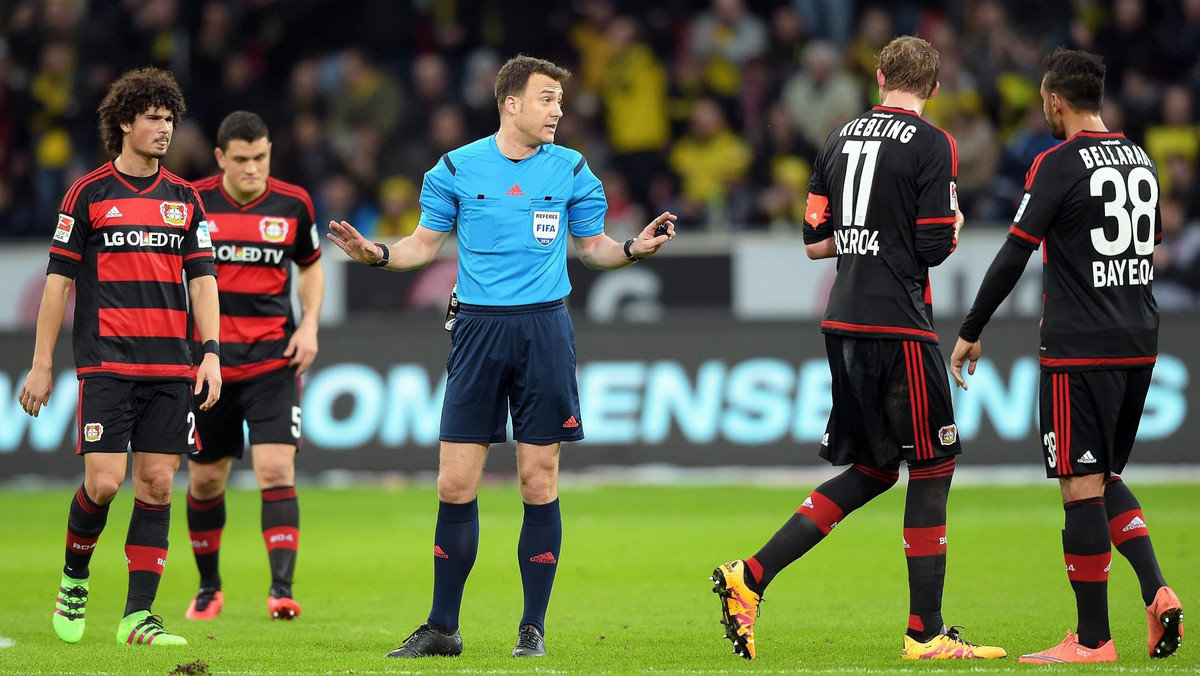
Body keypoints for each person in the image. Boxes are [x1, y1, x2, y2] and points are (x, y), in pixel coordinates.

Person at [326, 54, 675, 659]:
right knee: (454, 481)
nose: (558, 111)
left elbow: (593, 247)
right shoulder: (457, 167)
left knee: (538, 480)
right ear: (510, 103)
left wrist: (634, 248)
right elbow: (421, 245)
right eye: (547, 99)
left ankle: (531, 628)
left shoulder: (571, 168)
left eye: (560, 102)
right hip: (478, 332)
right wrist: (377, 254)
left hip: (544, 330)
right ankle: (443, 627)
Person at [711, 36, 1006, 661]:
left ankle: (751, 576)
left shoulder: (838, 138)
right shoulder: (935, 143)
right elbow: (931, 246)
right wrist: (949, 228)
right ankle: (925, 632)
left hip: (842, 321)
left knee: (875, 468)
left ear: (877, 78)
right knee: (933, 465)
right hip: (898, 325)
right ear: (932, 87)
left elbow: (815, 243)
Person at [950, 48, 1183, 664]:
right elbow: (1150, 243)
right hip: (1140, 342)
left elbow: (1014, 250)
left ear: (1054, 100)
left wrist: (972, 327)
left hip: (1080, 346)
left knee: (1080, 489)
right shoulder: (1140, 158)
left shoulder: (1055, 163)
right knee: (1104, 478)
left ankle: (1092, 640)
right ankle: (1157, 590)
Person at [17, 67, 221, 646]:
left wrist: (210, 353)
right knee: (104, 484)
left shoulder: (185, 200)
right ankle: (75, 579)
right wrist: (41, 363)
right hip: (106, 363)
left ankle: (138, 617)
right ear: (125, 122)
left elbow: (203, 282)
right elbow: (57, 284)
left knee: (156, 484)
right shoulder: (88, 194)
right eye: (154, 118)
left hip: (170, 367)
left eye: (170, 118)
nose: (164, 128)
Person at [183, 111, 324, 621]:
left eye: (260, 158)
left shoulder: (294, 204)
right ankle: (208, 587)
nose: (252, 168)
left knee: (275, 467)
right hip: (208, 366)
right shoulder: (191, 202)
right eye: (241, 160)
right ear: (220, 158)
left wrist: (308, 326)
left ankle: (281, 590)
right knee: (205, 482)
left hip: (272, 360)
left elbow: (310, 268)